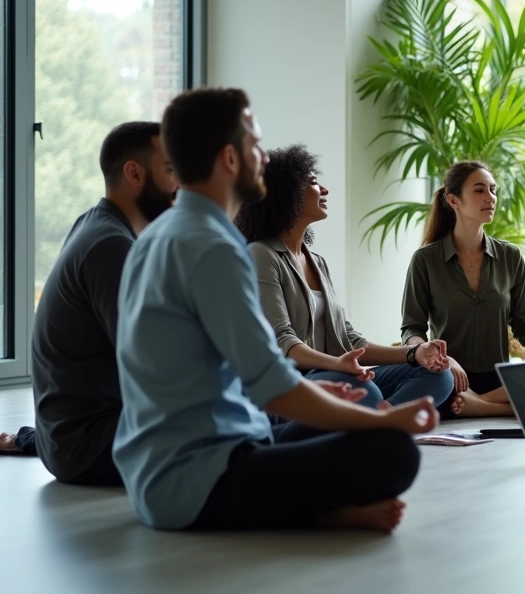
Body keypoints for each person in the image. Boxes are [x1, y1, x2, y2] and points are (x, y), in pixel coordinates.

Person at [114, 87, 438, 532]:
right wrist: (383, 419)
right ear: (230, 157)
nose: (264, 158)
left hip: (159, 469)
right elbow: (272, 385)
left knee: (337, 418)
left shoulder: (159, 233)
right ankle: (319, 511)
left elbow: (226, 373)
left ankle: (317, 506)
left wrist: (319, 394)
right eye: (256, 144)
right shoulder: (213, 247)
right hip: (194, 480)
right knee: (393, 450)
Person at [0, 122, 177, 486]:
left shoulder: (95, 224)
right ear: (134, 173)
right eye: (171, 169)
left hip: (70, 437)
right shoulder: (111, 245)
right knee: (250, 425)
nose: (181, 184)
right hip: (90, 445)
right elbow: (155, 367)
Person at [235, 144, 454, 409]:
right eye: (313, 182)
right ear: (286, 193)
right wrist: (337, 364)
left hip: (333, 372)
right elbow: (283, 341)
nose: (324, 190)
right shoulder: (261, 254)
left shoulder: (317, 262)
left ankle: (381, 418)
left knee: (439, 375)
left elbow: (350, 340)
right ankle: (378, 418)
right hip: (294, 380)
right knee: (364, 390)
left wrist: (415, 353)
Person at [400, 161, 525, 418]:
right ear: (453, 200)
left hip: (500, 379)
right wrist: (432, 355)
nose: (490, 197)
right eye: (480, 190)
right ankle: (499, 408)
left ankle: (477, 404)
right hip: (450, 377)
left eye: (493, 190)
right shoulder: (425, 260)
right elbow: (412, 329)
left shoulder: (510, 256)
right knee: (429, 386)